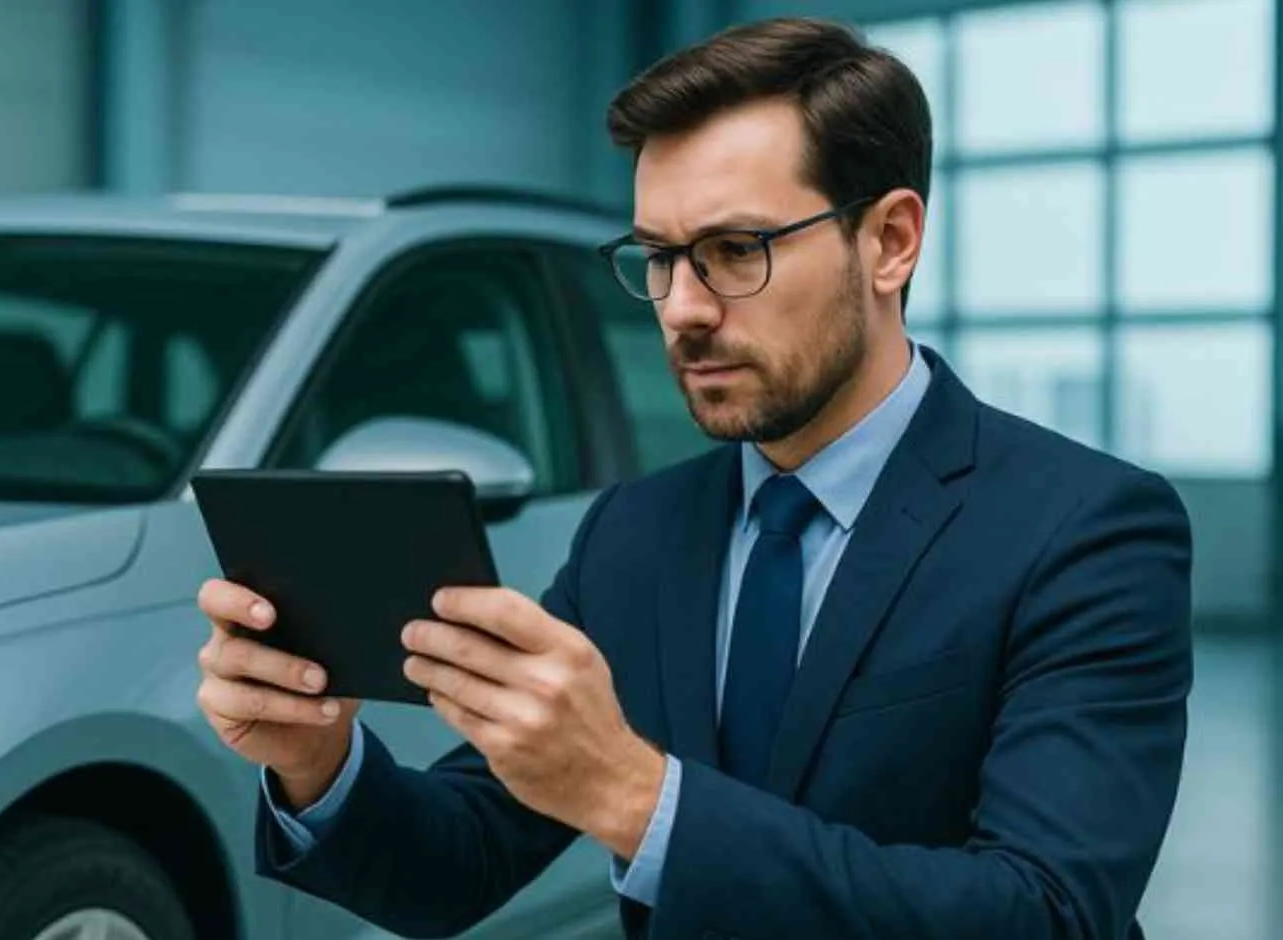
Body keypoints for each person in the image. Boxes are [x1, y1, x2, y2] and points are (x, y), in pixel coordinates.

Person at [194, 16, 1192, 940]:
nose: (680, 308)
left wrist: (636, 798)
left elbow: (1045, 913)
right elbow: (460, 862)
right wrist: (317, 762)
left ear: (889, 242)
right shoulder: (636, 531)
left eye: (732, 250)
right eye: (660, 257)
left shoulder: (1083, 528)